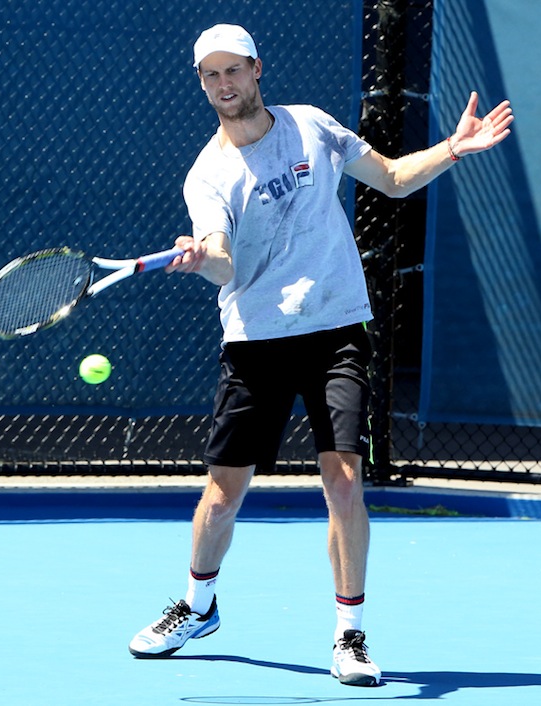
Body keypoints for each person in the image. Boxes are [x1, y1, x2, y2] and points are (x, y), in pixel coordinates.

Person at [128, 24, 513, 686]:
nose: (223, 85)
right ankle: (197, 606)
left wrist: (453, 147)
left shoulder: (310, 127)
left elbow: (389, 179)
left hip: (336, 329)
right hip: (255, 343)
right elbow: (222, 263)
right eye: (209, 76)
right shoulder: (209, 173)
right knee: (221, 497)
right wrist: (198, 258)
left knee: (342, 479)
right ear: (203, 83)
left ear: (256, 69)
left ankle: (349, 635)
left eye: (232, 71)